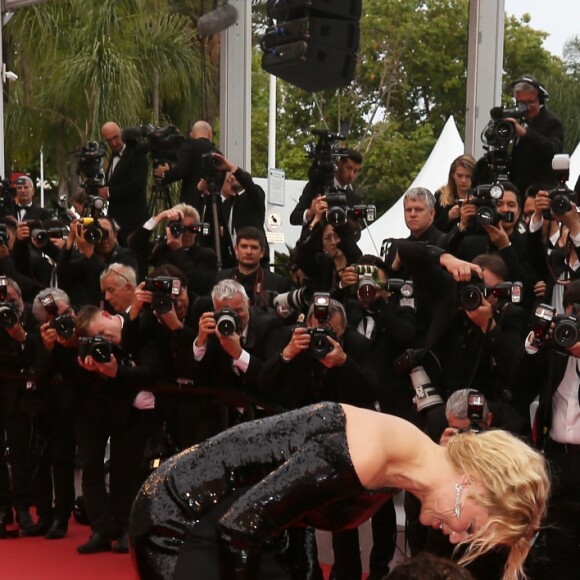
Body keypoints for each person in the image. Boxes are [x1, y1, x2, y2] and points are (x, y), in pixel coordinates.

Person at [129, 401, 549, 580]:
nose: (456, 537)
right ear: (473, 482)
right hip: (183, 520)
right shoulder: (369, 454)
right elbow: (241, 527)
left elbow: (295, 514)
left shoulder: (401, 462)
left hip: (237, 527)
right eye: (472, 527)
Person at [512, 279, 580, 579]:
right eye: (573, 313)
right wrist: (535, 342)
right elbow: (519, 386)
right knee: (560, 549)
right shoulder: (555, 344)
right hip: (558, 460)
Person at [128, 203, 218, 297]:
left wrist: (178, 250)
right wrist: (159, 217)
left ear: (197, 231)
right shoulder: (163, 250)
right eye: (181, 228)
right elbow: (135, 244)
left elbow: (198, 285)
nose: (187, 233)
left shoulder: (207, 255)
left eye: (192, 228)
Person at [507, 75, 564, 196]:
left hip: (541, 194)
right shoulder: (519, 121)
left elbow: (554, 149)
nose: (527, 107)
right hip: (519, 194)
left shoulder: (551, 121)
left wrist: (525, 133)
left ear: (540, 100)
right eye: (522, 103)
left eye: (531, 102)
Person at [215, 226, 291, 309]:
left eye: (254, 248)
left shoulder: (278, 283)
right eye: (244, 246)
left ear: (262, 252)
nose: (249, 252)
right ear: (236, 250)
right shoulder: (220, 279)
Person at [100, 121, 149, 246]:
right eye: (109, 140)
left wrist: (110, 192)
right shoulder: (113, 156)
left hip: (134, 220)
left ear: (122, 132)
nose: (114, 143)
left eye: (115, 137)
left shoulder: (137, 154)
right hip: (116, 220)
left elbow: (137, 185)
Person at [290, 149, 363, 229]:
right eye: (348, 168)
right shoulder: (316, 187)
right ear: (339, 165)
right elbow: (294, 218)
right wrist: (310, 212)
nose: (351, 175)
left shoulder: (354, 199)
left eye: (355, 171)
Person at [153, 120, 214, 211]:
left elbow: (181, 170)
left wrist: (165, 174)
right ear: (210, 134)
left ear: (191, 134)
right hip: (210, 206)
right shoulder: (217, 153)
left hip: (190, 205)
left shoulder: (190, 143)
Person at [434, 155, 477, 233]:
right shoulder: (441, 195)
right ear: (453, 175)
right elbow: (432, 228)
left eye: (468, 176)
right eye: (459, 176)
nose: (463, 180)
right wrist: (448, 217)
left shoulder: (481, 197)